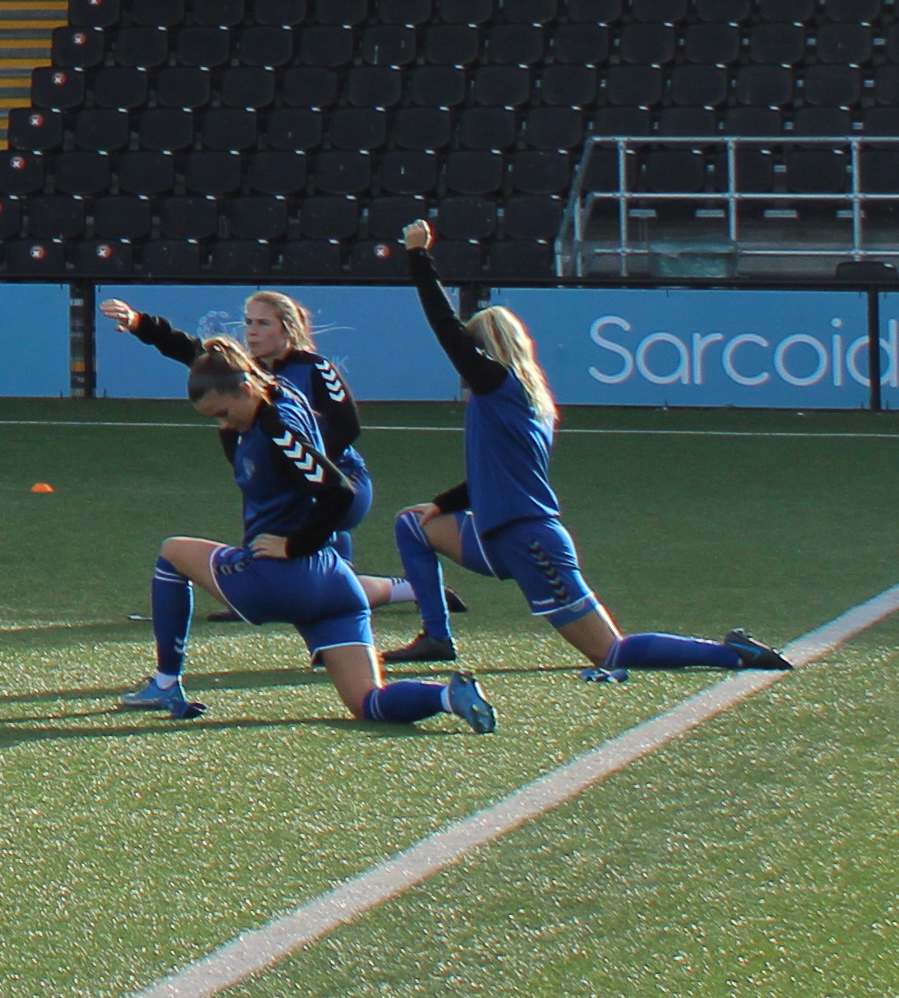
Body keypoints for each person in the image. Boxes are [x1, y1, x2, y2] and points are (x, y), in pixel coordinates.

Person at [383, 223, 787, 680]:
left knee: (610, 653)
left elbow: (446, 329)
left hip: (529, 539)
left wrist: (419, 258)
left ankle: (733, 654)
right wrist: (439, 505)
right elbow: (493, 476)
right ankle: (437, 637)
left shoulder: (499, 386)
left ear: (485, 352)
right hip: (499, 533)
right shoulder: (526, 399)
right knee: (413, 526)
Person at [126, 331, 488, 732]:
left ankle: (165, 683)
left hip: (281, 579)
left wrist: (293, 544)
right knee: (369, 701)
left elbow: (339, 492)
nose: (223, 424)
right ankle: (447, 696)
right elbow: (217, 363)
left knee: (173, 552)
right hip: (335, 587)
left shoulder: (277, 431)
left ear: (246, 388)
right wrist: (149, 328)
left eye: (223, 413)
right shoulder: (278, 393)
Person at [109, 284, 373, 542]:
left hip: (342, 479)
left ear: (288, 329)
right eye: (248, 323)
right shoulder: (242, 369)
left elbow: (347, 427)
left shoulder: (317, 369)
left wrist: (298, 467)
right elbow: (189, 349)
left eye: (263, 323)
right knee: (322, 567)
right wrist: (139, 323)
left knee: (292, 550)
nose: (252, 332)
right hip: (293, 487)